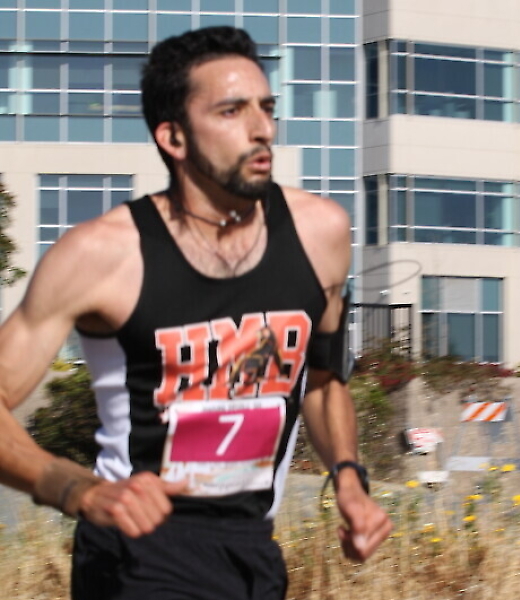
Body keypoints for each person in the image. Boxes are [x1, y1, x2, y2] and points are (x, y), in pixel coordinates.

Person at [0, 26, 392, 599]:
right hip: (134, 554)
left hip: (251, 552)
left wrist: (349, 478)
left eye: (266, 108)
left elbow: (325, 382)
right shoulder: (100, 255)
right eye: (231, 111)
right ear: (174, 137)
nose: (261, 129)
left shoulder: (321, 234)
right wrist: (72, 486)